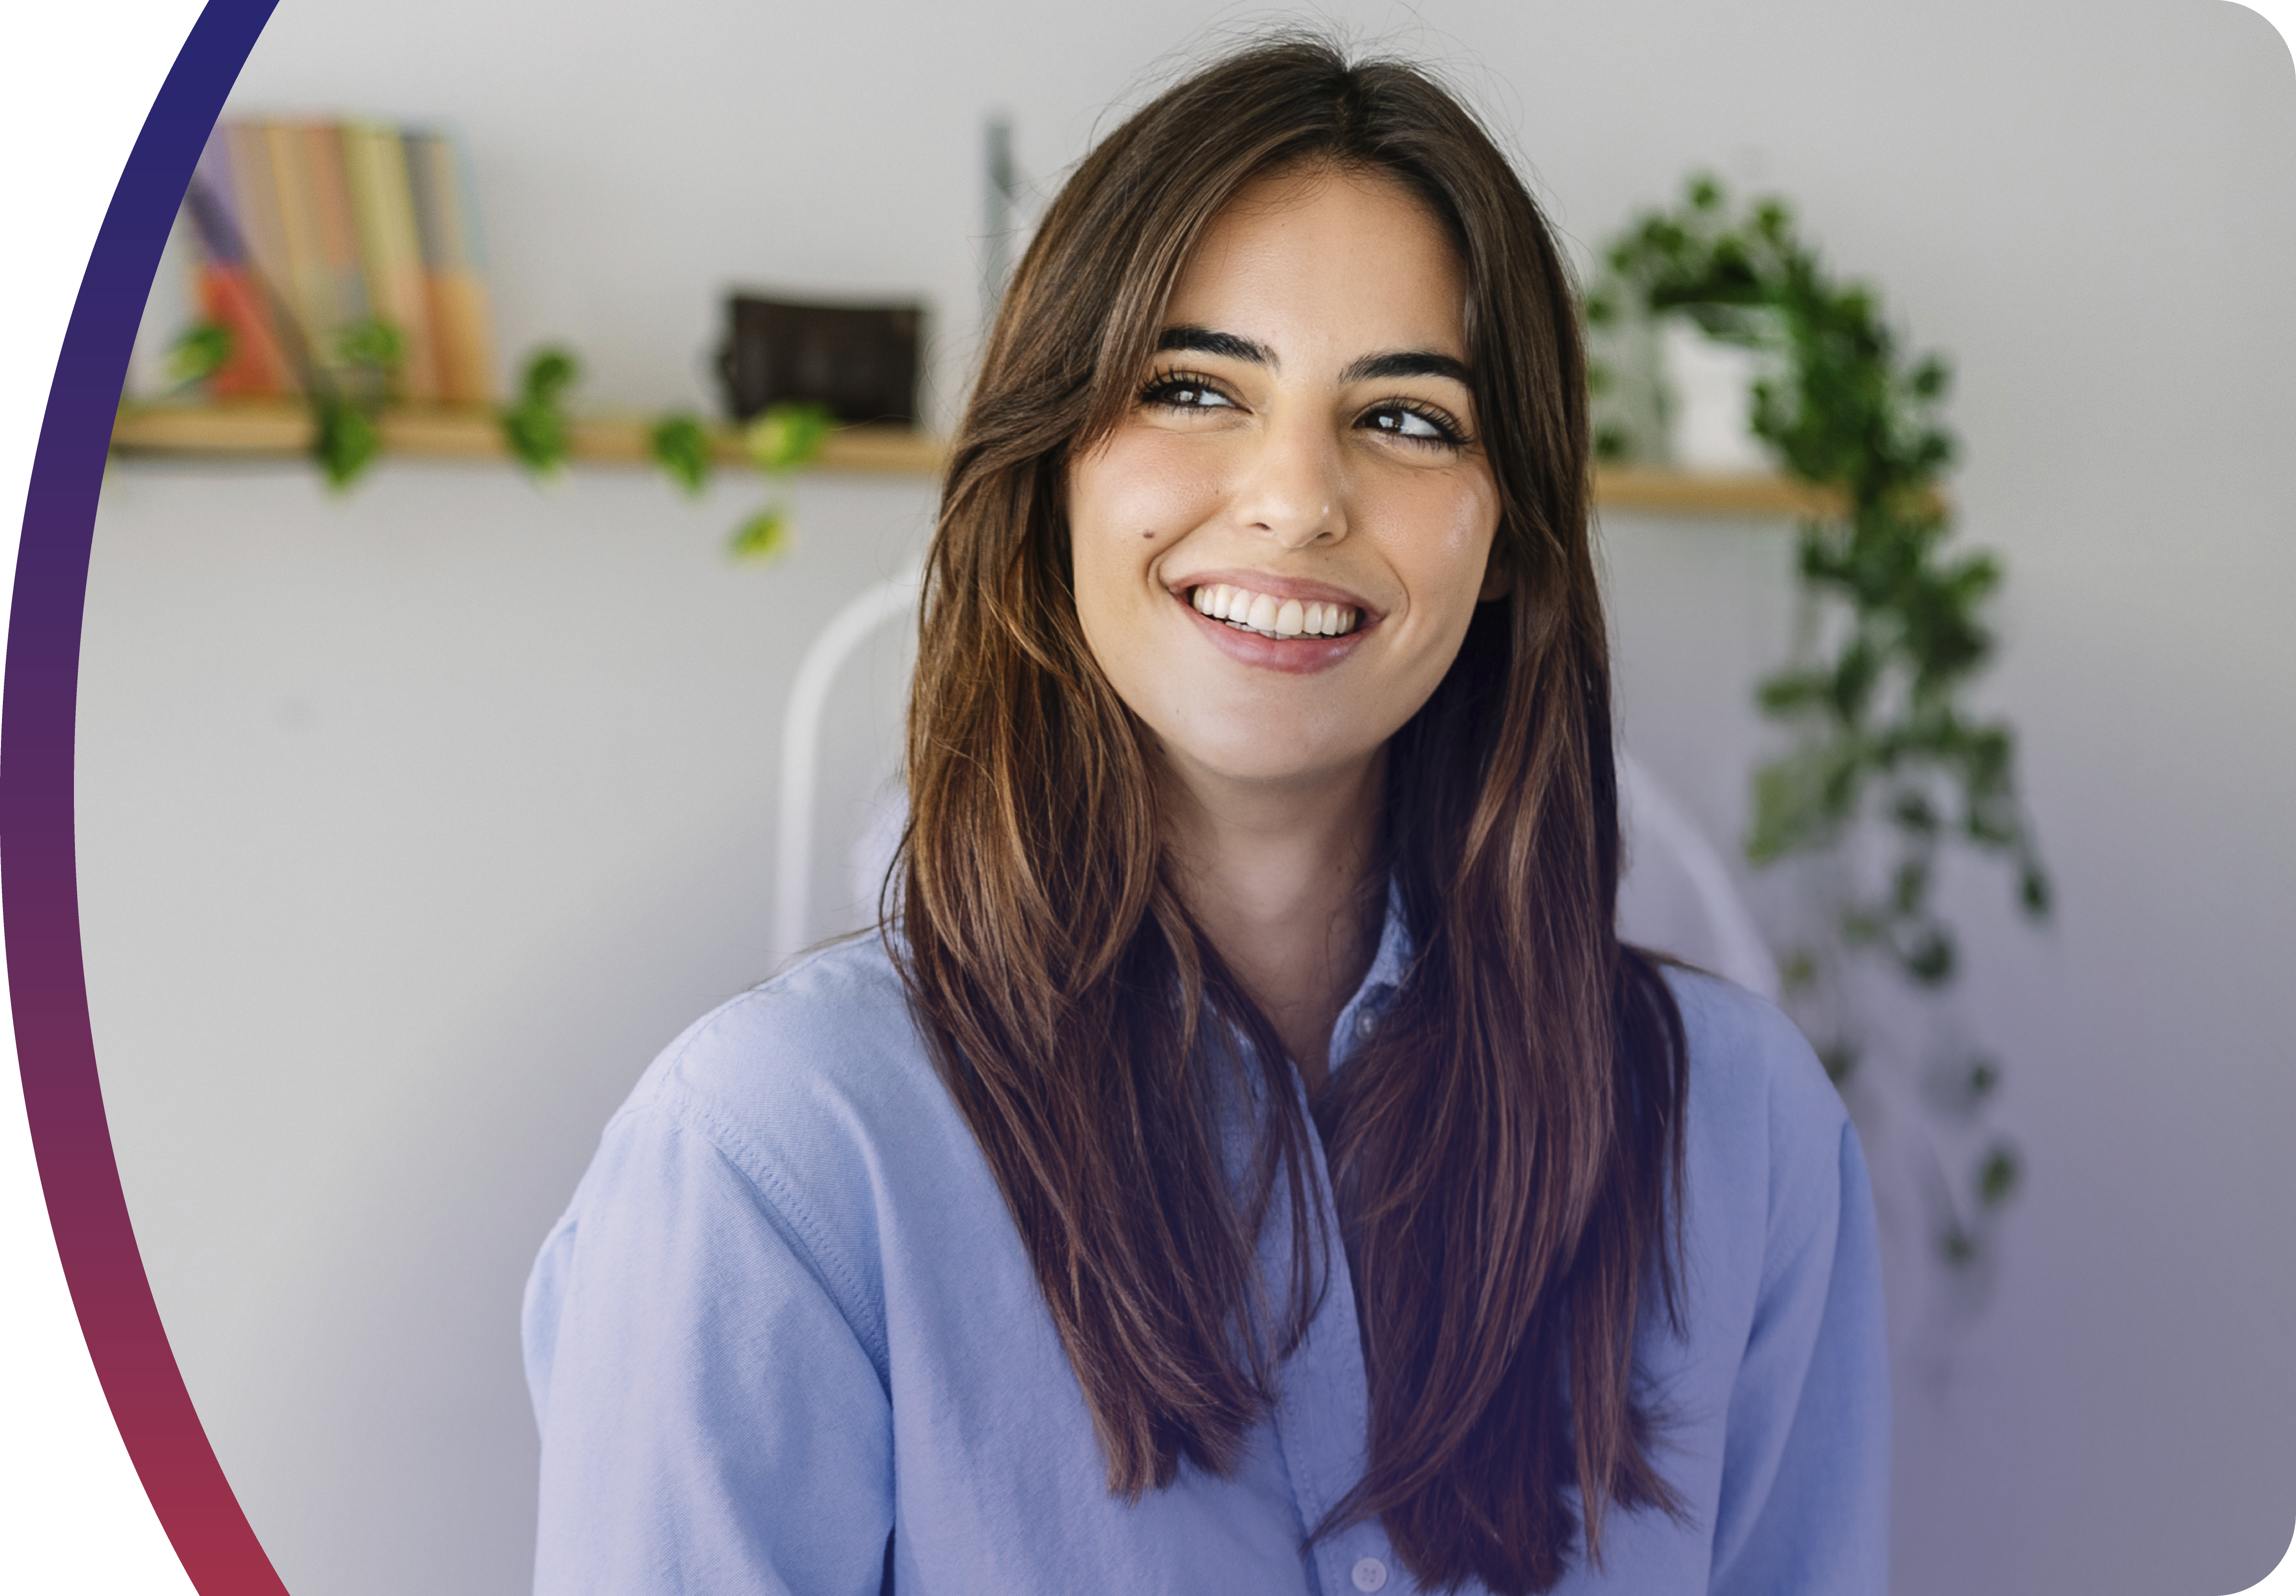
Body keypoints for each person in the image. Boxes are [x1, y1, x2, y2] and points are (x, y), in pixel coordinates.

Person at [522, 36, 1886, 1596]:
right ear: (1052, 471)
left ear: (1507, 532)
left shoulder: (1745, 1132)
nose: (1295, 495)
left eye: (1410, 418)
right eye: (1189, 388)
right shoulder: (773, 1157)